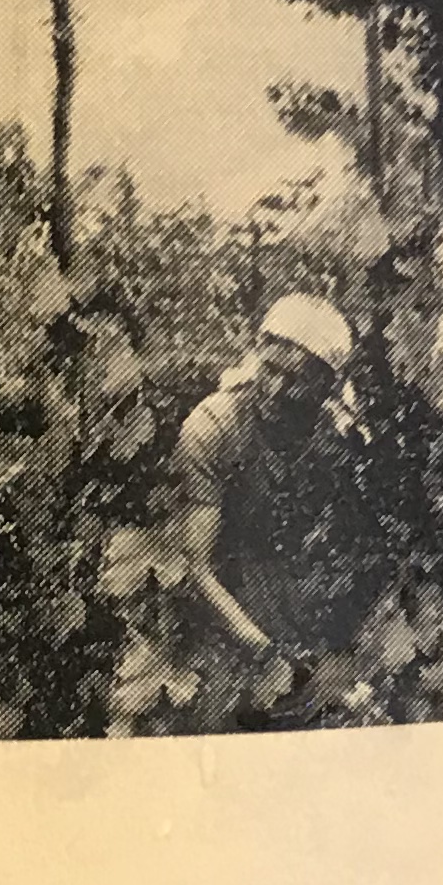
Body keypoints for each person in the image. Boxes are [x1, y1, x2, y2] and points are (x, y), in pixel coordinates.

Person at [174, 293, 367, 692]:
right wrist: (267, 653)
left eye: (295, 379)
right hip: (220, 609)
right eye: (270, 369)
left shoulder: (334, 440)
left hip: (290, 593)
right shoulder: (214, 428)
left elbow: (341, 546)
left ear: (324, 386)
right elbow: (195, 567)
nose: (276, 389)